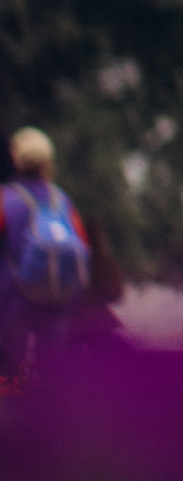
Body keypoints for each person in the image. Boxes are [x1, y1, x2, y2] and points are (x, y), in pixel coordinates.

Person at [3, 130, 91, 377]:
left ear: (16, 160)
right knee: (47, 374)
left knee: (10, 370)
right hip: (59, 299)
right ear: (47, 163)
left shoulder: (6, 198)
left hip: (14, 301)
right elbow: (81, 244)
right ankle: (45, 406)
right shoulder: (62, 199)